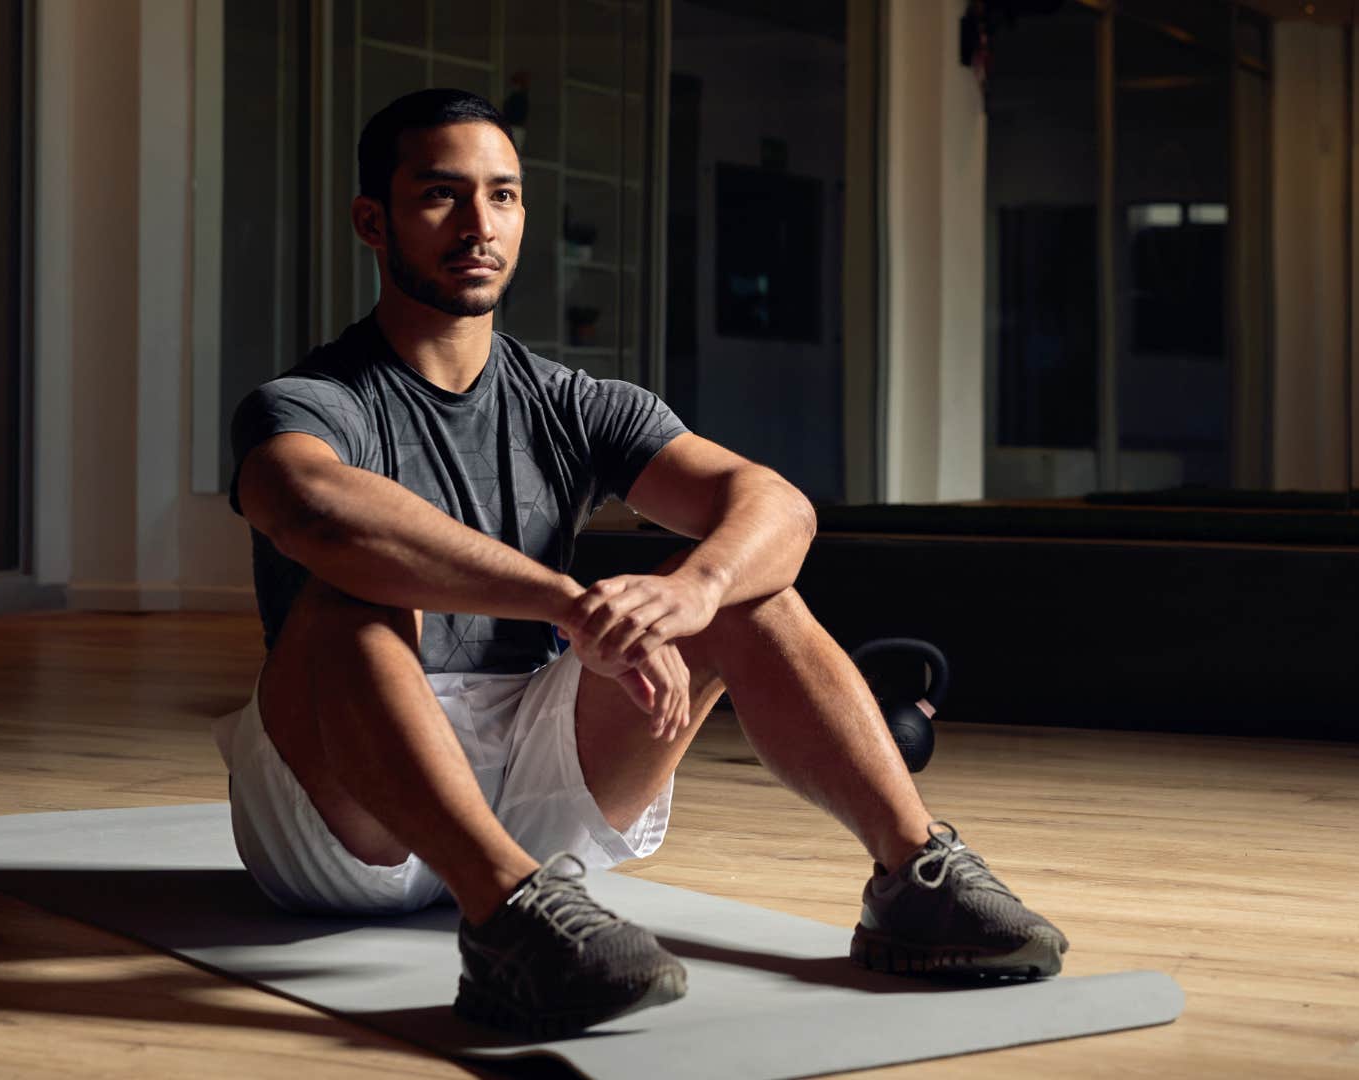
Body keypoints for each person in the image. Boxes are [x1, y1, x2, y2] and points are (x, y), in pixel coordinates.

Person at [217, 88, 1069, 1037]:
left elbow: (776, 506)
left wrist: (691, 589)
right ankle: (505, 919)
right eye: (440, 197)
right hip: (345, 817)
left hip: (538, 773)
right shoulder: (311, 400)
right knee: (351, 600)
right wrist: (564, 600)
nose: (478, 224)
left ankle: (912, 874)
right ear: (373, 221)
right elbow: (318, 513)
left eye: (502, 196)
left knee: (751, 588)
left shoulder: (574, 401)